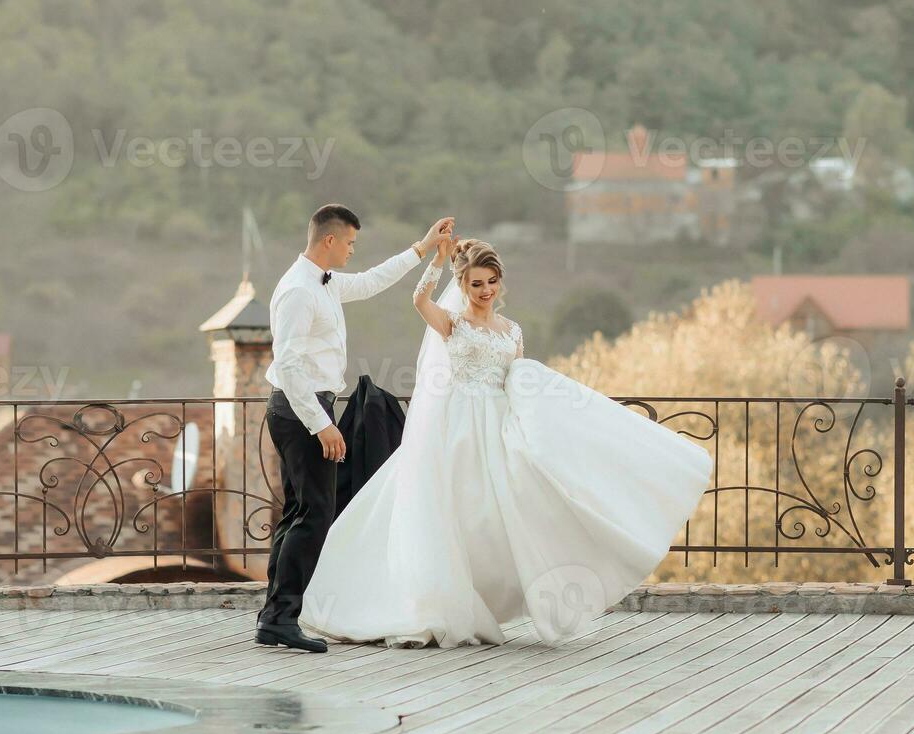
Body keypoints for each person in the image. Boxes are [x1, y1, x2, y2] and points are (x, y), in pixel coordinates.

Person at [300, 236, 712, 648]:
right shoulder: (452, 323)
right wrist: (438, 260)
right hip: (456, 428)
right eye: (476, 283)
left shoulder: (511, 331)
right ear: (464, 285)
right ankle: (439, 605)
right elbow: (419, 299)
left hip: (498, 427)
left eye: (492, 281)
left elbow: (517, 383)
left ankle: (484, 599)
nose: (486, 291)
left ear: (500, 282)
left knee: (500, 517)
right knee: (453, 515)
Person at [258, 204, 455, 653]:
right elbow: (287, 365)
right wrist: (322, 425)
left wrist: (422, 249)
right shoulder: (297, 291)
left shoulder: (323, 284)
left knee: (299, 514)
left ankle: (275, 615)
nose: (352, 251)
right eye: (349, 243)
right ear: (329, 240)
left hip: (305, 409)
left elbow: (370, 283)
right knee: (315, 515)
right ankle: (280, 618)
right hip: (300, 410)